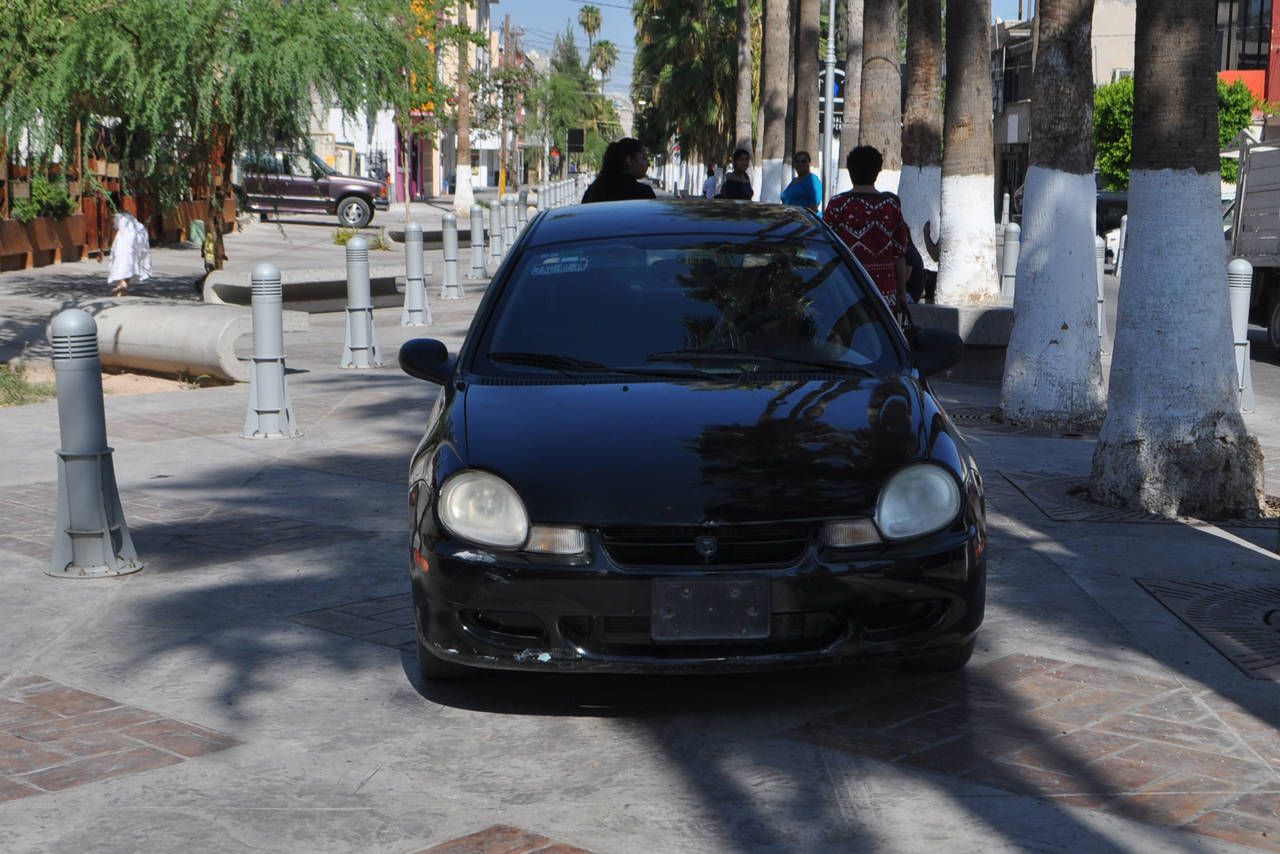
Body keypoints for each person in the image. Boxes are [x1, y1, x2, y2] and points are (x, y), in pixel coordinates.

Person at [823, 145, 908, 312]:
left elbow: (826, 248)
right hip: (884, 293)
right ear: (877, 171)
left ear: (850, 171)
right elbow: (899, 255)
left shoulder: (837, 204)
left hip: (844, 289)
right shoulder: (891, 207)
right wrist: (901, 293)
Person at [581, 138, 657, 203]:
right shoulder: (643, 194)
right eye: (644, 158)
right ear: (629, 160)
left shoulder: (592, 191)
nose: (648, 164)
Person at [107, 210, 152, 296]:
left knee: (120, 259)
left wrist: (101, 251)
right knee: (130, 260)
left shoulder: (113, 216)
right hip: (138, 233)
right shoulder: (128, 215)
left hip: (128, 236)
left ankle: (122, 283)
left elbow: (107, 234)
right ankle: (122, 289)